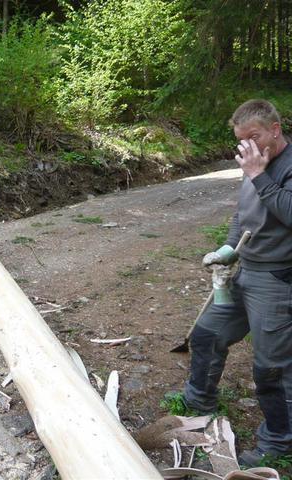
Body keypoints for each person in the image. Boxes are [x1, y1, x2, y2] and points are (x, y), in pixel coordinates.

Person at [181, 99, 292, 466]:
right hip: (244, 272)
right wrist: (228, 248)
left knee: (272, 366)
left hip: (277, 279)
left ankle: (279, 440)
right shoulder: (253, 165)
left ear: (275, 130)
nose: (248, 147)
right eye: (241, 140)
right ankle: (199, 403)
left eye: (254, 137)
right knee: (206, 334)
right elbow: (242, 214)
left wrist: (259, 175)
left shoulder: (279, 166)